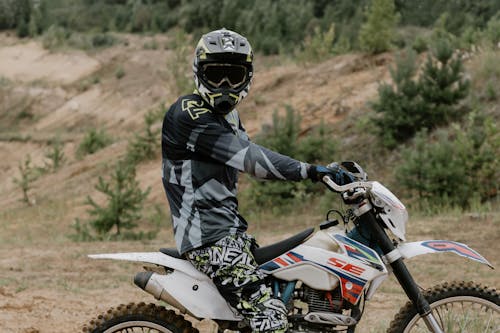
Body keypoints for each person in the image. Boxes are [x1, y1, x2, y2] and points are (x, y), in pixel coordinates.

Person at [161, 28, 357, 333]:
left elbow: (254, 161)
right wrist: (312, 171)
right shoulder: (190, 114)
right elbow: (251, 159)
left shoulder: (228, 117)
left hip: (229, 235)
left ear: (247, 77)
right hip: (210, 241)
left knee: (289, 295)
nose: (225, 85)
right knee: (272, 319)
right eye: (216, 75)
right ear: (199, 73)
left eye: (233, 75)